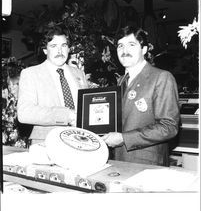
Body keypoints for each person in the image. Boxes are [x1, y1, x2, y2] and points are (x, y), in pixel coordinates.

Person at [102, 25, 180, 166]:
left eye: (131, 45)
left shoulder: (161, 77)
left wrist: (124, 138)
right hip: (118, 160)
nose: (124, 51)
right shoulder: (121, 81)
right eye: (120, 46)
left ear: (144, 49)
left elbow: (169, 127)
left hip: (147, 164)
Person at [17, 24, 88, 145]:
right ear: (45, 50)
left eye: (64, 45)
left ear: (69, 48)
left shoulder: (79, 74)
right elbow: (24, 113)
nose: (60, 51)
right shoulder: (30, 74)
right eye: (53, 46)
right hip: (47, 144)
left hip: (80, 141)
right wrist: (67, 115)